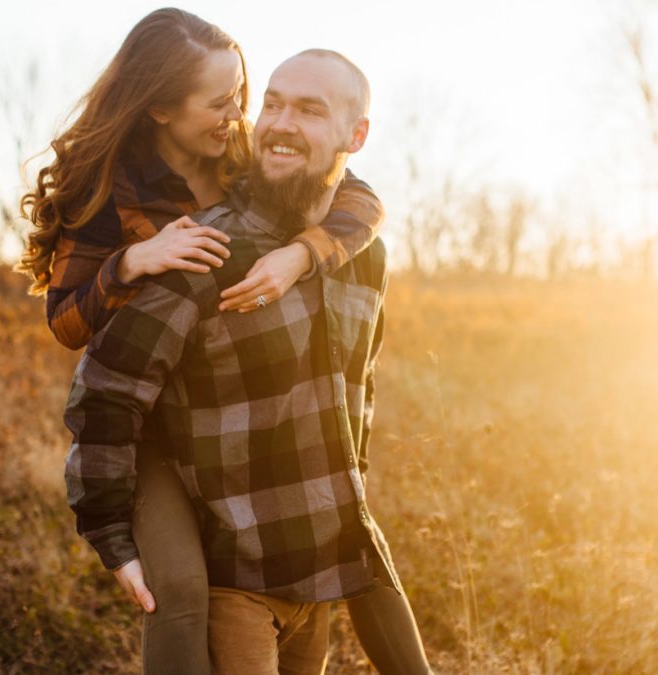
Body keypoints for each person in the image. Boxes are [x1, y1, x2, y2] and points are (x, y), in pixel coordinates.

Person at [63, 47, 433, 674]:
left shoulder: (362, 256)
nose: (278, 122)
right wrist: (110, 532)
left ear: (356, 134)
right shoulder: (203, 250)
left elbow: (356, 393)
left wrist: (304, 253)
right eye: (272, 103)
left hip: (314, 565)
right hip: (236, 566)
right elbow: (104, 390)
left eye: (309, 110)